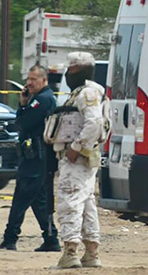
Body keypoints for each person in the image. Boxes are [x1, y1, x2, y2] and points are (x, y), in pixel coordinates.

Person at [50, 52, 104, 269]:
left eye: (70, 69)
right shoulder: (80, 93)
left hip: (76, 160)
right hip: (80, 160)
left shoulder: (87, 94)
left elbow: (95, 123)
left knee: (70, 203)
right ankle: (91, 253)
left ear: (78, 71)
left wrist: (76, 148)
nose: (67, 73)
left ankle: (70, 252)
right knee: (87, 204)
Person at [0, 65, 60, 252]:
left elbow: (22, 124)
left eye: (34, 79)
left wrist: (23, 106)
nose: (29, 83)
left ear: (44, 80)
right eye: (28, 79)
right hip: (35, 157)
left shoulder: (42, 100)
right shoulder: (39, 99)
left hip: (36, 158)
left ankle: (10, 239)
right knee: (38, 200)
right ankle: (51, 239)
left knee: (21, 197)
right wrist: (24, 104)